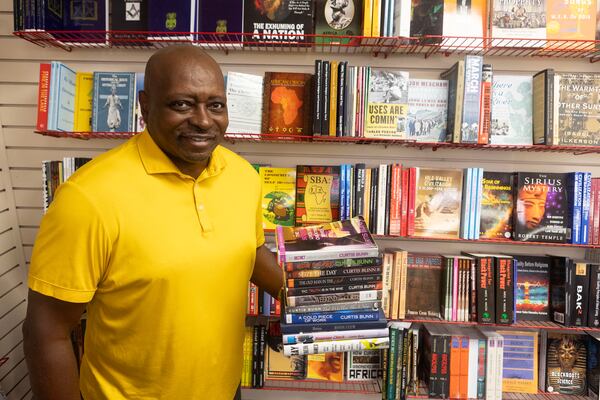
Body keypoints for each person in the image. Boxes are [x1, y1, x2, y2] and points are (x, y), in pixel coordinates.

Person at [22, 45, 284, 400]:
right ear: (145, 107)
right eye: (182, 104)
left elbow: (249, 249)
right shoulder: (88, 196)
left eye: (215, 104)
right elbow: (46, 330)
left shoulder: (242, 175)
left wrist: (320, 297)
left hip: (224, 390)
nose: (204, 120)